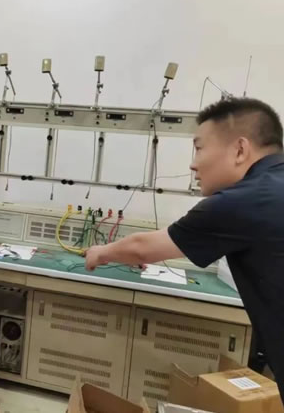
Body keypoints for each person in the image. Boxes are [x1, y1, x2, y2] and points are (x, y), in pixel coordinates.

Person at [85, 97, 284, 404]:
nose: (193, 164)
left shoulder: (243, 201)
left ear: (240, 150)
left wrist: (100, 252)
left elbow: (142, 249)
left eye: (199, 148)